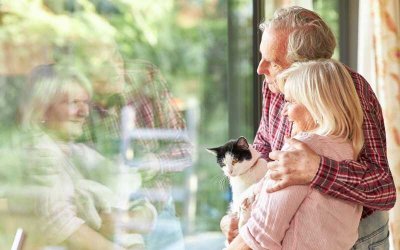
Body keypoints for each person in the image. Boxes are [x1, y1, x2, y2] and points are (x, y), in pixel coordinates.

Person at [221, 6, 396, 249]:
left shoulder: (350, 91)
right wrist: (242, 210)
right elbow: (264, 147)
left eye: (273, 61)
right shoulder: (272, 86)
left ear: (307, 66)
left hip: (355, 238)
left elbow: (382, 189)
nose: (260, 68)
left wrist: (317, 169)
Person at [12, 64, 157, 250]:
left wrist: (128, 220)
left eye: (85, 103)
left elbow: (136, 193)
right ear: (42, 109)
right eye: (73, 103)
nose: (84, 112)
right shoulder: (37, 155)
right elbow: (59, 224)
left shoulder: (78, 153)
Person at [227, 59, 364, 249]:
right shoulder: (348, 150)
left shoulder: (302, 151)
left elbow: (257, 238)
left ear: (316, 106)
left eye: (290, 102)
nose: (284, 113)